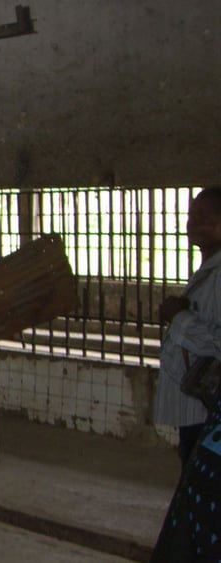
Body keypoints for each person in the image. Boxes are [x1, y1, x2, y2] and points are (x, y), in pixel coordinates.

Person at [153, 188, 221, 559]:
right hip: (197, 407)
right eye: (192, 216)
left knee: (200, 493)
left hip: (208, 413)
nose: (192, 225)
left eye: (205, 218)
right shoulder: (208, 269)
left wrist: (180, 317)